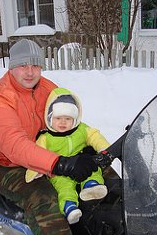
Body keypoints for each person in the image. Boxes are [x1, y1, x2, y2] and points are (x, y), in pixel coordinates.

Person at [0, 39, 98, 235]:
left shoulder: (46, 88)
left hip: (42, 150)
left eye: (35, 65)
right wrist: (60, 164)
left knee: (95, 168)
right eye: (23, 65)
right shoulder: (0, 100)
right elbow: (15, 146)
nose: (30, 72)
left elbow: (66, 115)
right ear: (11, 67)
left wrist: (83, 143)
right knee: (43, 197)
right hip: (4, 165)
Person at [26, 87, 110, 224]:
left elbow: (94, 136)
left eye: (68, 118)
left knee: (94, 170)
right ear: (49, 117)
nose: (63, 122)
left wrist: (105, 149)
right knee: (64, 187)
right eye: (58, 118)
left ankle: (92, 186)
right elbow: (36, 154)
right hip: (60, 172)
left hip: (81, 164)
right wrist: (34, 173)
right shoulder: (46, 138)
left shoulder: (81, 129)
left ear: (75, 119)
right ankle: (69, 207)